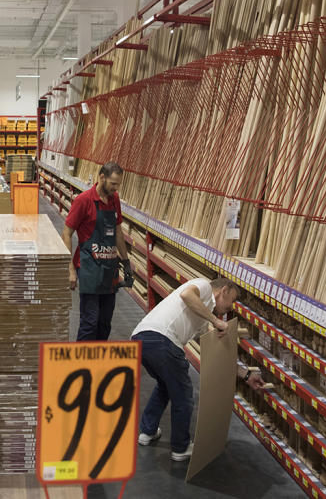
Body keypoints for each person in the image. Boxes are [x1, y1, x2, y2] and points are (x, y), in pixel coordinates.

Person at [130, 277, 265, 461]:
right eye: (232, 300)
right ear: (223, 290)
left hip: (141, 339)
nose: (231, 307)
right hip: (163, 339)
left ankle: (147, 431)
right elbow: (187, 294)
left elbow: (217, 354)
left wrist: (246, 374)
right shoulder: (204, 286)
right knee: (184, 395)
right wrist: (216, 322)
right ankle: (180, 447)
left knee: (165, 386)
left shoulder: (202, 318)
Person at [61, 162, 133, 341]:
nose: (116, 189)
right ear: (102, 177)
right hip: (88, 268)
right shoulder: (83, 200)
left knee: (104, 322)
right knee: (90, 321)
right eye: (113, 184)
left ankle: (98, 364)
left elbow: (117, 231)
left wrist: (126, 263)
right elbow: (67, 233)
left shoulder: (114, 200)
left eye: (118, 184)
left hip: (109, 269)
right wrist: (70, 269)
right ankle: (81, 366)